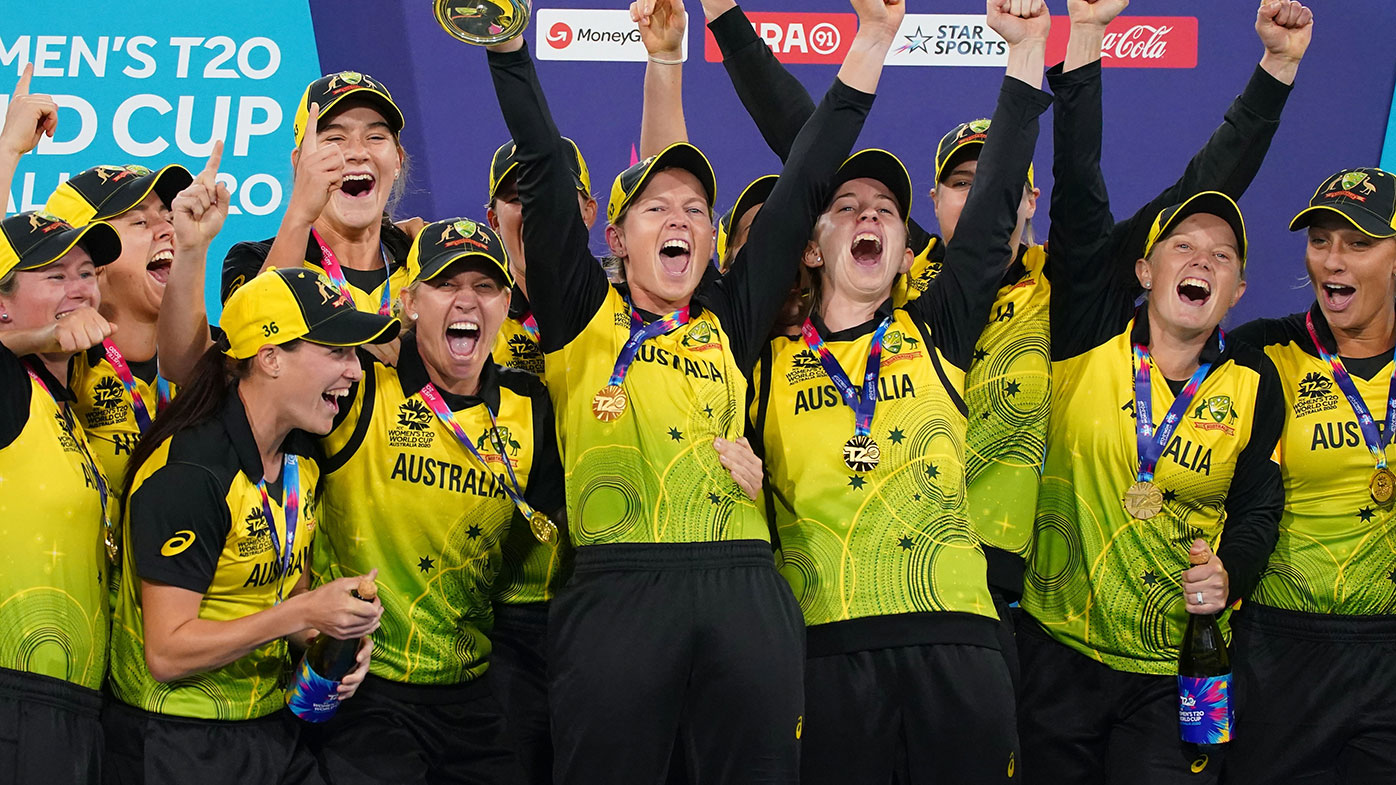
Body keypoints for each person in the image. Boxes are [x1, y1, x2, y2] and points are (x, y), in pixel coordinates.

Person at [484, 0, 899, 777]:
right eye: (656, 208)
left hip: (742, 583)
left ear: (710, 238)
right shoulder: (579, 314)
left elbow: (811, 174)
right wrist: (509, 50)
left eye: (696, 209)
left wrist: (870, 43)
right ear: (616, 237)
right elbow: (542, 167)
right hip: (617, 586)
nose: (681, 218)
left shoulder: (730, 317)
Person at [751, 2, 1050, 781]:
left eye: (886, 208)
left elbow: (987, 221)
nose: (870, 214)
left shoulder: (937, 329)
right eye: (846, 207)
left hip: (959, 639)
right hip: (827, 649)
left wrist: (1027, 54)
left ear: (904, 248)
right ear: (811, 248)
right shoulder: (763, 362)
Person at [1017, 2, 1313, 781]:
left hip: (1179, 672)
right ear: (1145, 271)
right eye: (1183, 245)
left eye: (1222, 256)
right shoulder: (1087, 333)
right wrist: (1084, 35)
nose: (1202, 261)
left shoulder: (1252, 386)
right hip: (1057, 654)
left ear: (1239, 290)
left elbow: (1257, 510)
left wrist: (1231, 575)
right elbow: (1079, 186)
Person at [104, 266, 398, 784]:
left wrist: (326, 634)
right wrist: (301, 612)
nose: (355, 371)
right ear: (269, 358)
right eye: (337, 352)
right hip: (177, 739)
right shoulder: (191, 473)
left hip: (270, 730)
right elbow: (168, 652)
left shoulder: (300, 457)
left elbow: (285, 592)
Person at [310, 218, 561, 784]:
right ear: (410, 302)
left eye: (486, 286)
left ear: (505, 305)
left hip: (473, 693)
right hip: (363, 693)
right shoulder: (359, 387)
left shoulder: (530, 409)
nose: (467, 300)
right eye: (447, 284)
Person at [1226, 167, 1396, 783]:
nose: (1332, 260)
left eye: (1359, 242)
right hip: (1279, 648)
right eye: (1320, 239)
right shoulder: (1262, 351)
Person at [43, 157, 192, 497]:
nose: (169, 229)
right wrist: (8, 151)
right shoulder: (55, 366)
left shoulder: (205, 357)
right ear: (88, 259)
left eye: (169, 217)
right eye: (140, 222)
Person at [221, 72, 413, 326]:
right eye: (334, 138)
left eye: (375, 137)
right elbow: (257, 343)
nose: (357, 152)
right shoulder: (254, 261)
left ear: (397, 161)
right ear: (300, 163)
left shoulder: (426, 265)